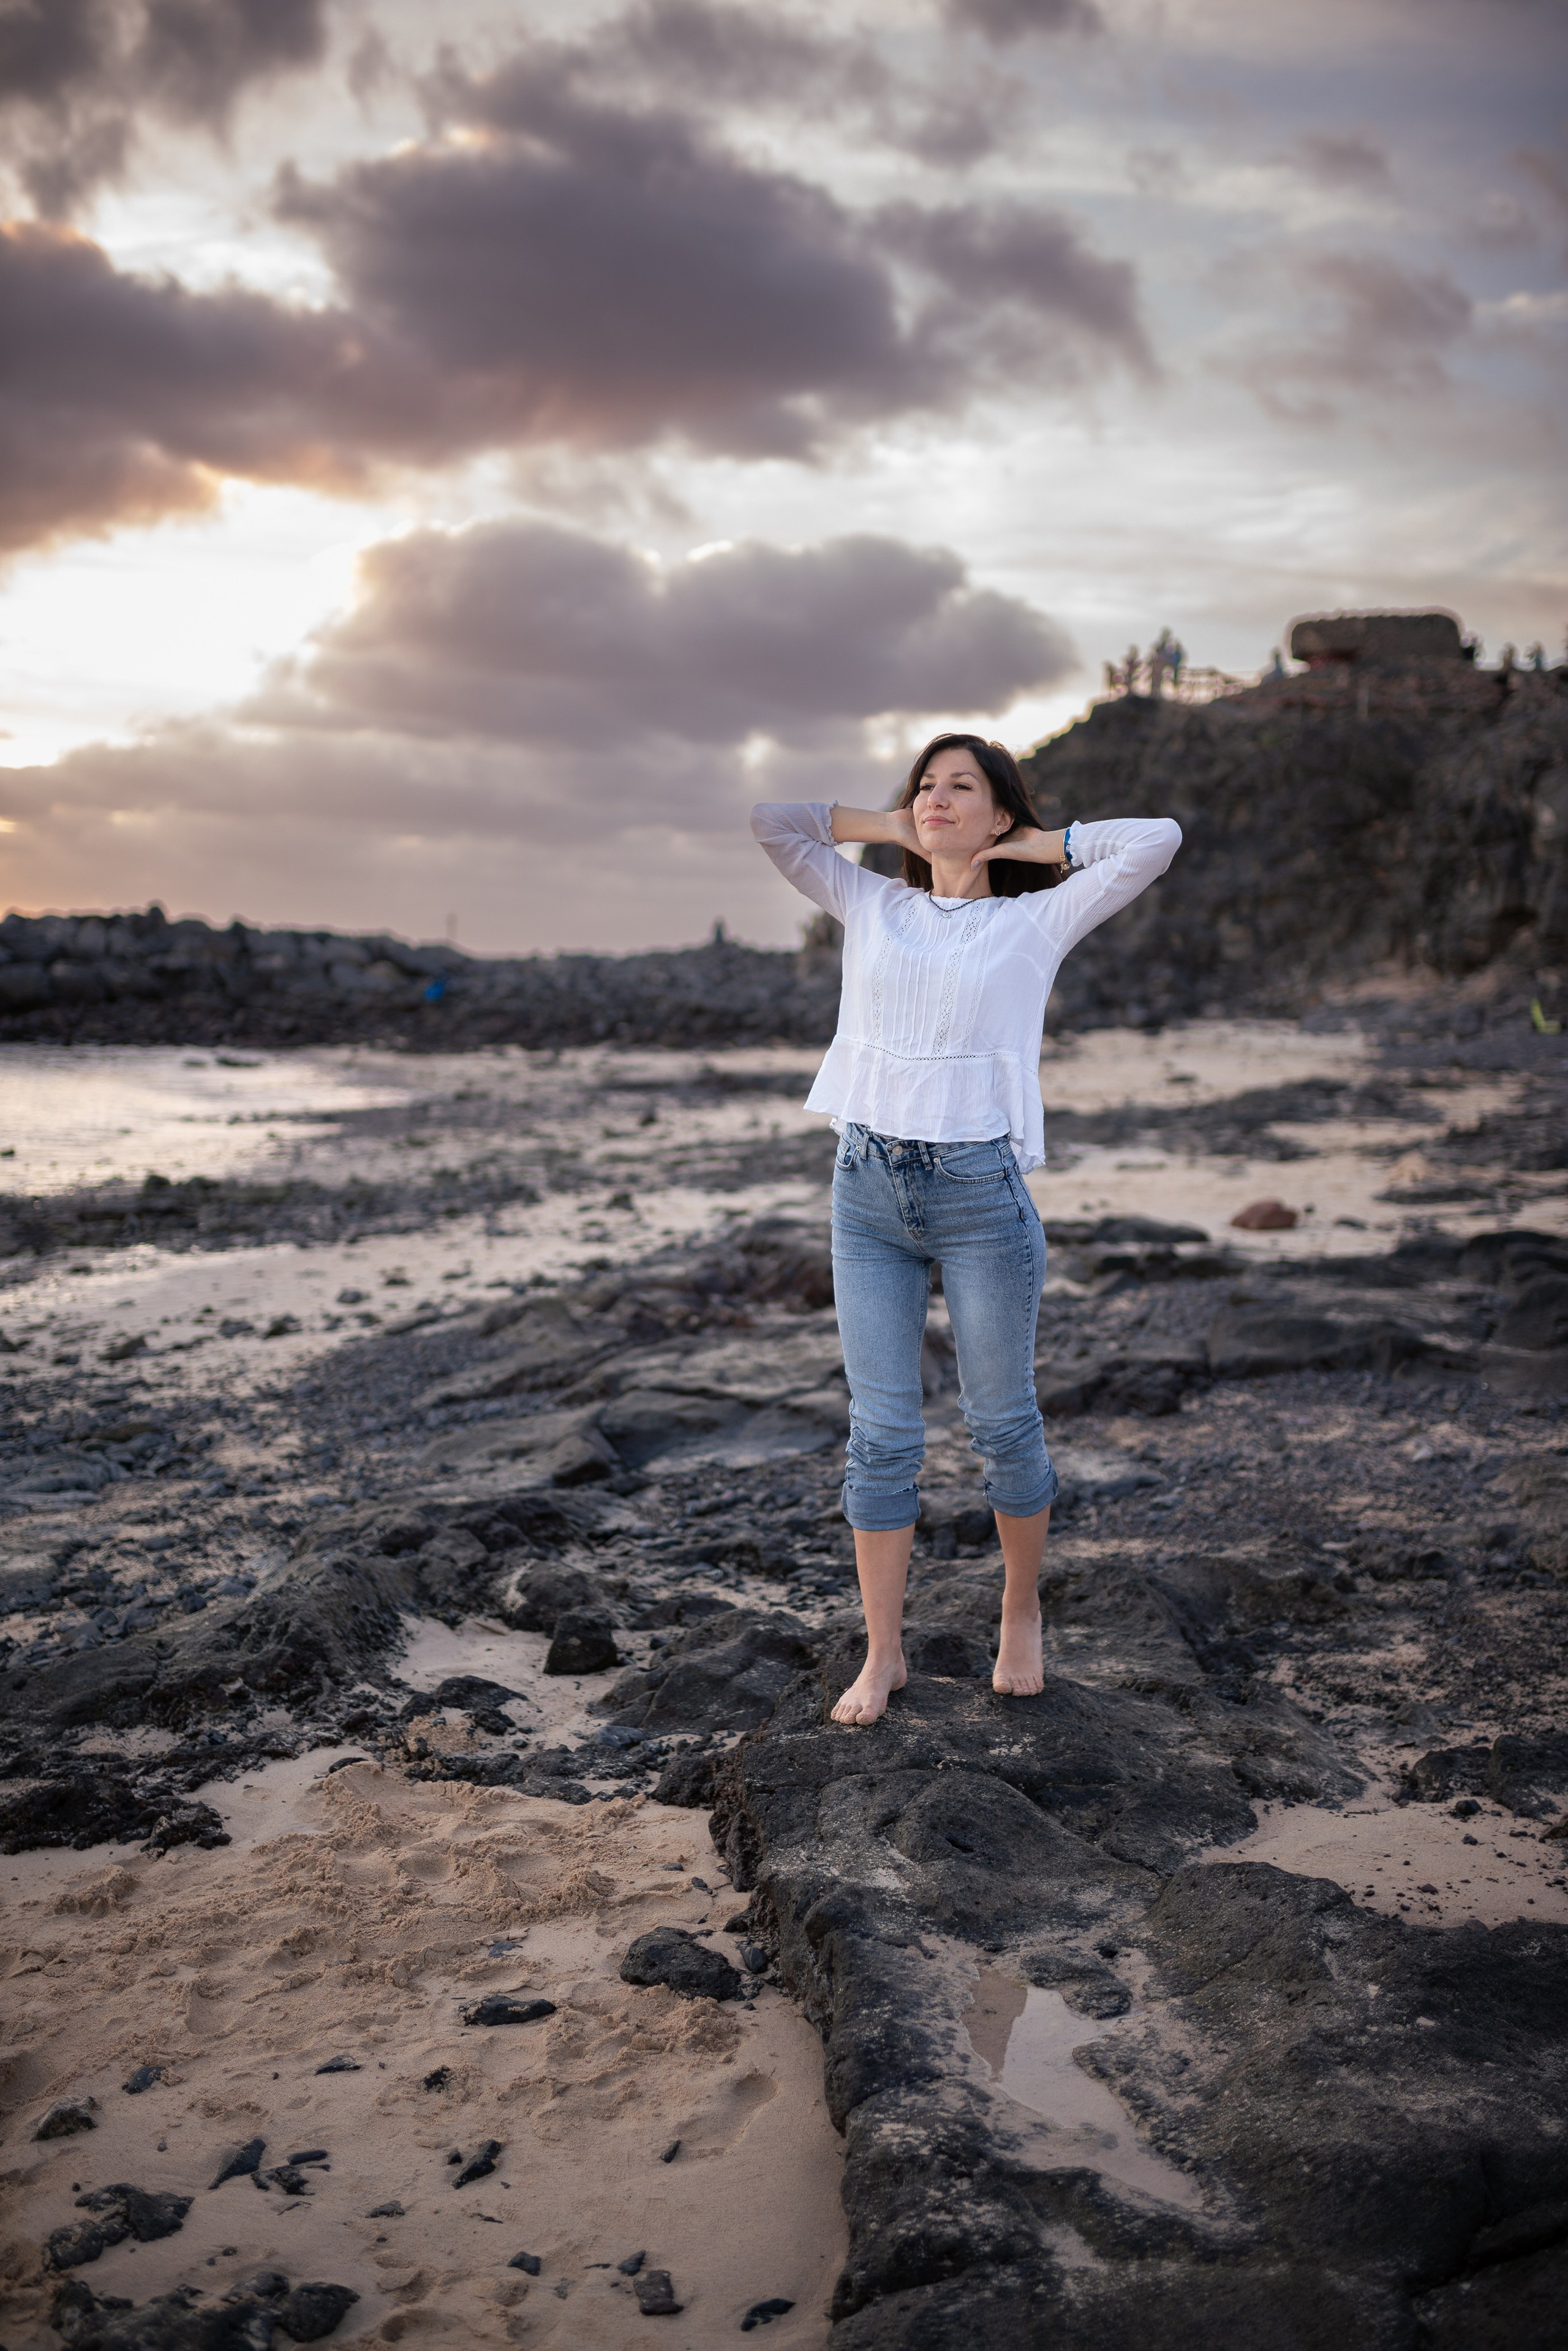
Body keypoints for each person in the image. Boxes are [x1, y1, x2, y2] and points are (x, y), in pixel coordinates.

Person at [752, 737, 1182, 1726]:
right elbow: (773, 822)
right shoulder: (872, 901)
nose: (935, 799)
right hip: (866, 1191)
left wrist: (1037, 844)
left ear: (1000, 815)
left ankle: (1020, 1608)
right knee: (882, 1436)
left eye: (962, 787)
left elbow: (1156, 839)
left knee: (1001, 1424)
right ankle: (885, 1652)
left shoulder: (1036, 921)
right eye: (925, 785)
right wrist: (888, 826)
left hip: (980, 1196)